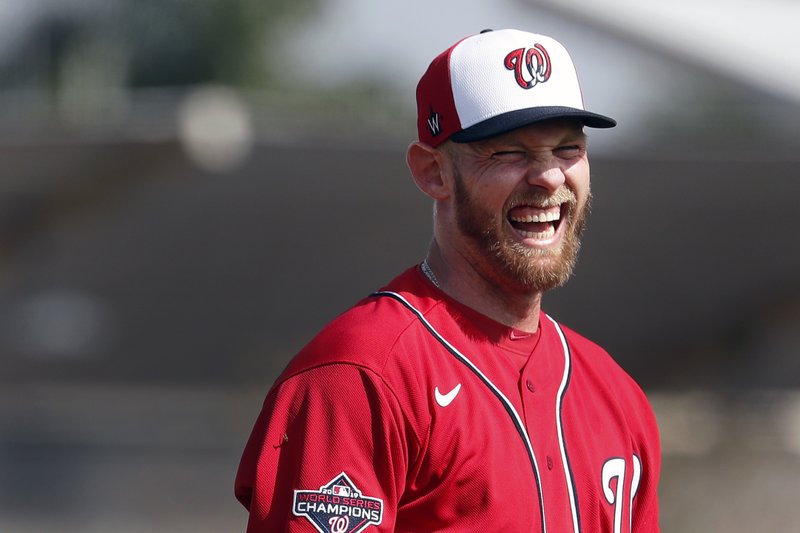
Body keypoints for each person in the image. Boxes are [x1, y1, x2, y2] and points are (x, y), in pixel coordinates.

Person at [235, 28, 660, 532]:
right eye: (509, 153)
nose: (548, 177)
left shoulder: (616, 394)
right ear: (433, 172)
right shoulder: (359, 377)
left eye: (567, 149)